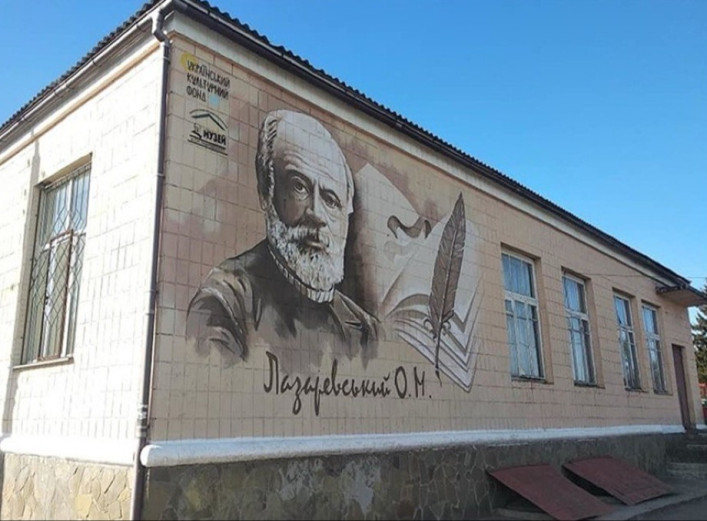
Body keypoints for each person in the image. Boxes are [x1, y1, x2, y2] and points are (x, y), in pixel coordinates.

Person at [186, 109, 379, 368]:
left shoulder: (365, 330)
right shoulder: (226, 301)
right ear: (267, 191)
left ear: (346, 217)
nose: (317, 213)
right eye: (299, 186)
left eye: (331, 200)